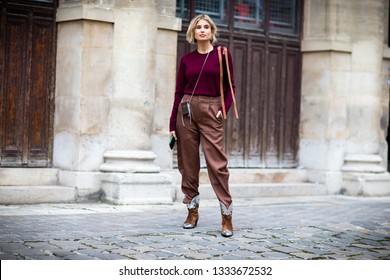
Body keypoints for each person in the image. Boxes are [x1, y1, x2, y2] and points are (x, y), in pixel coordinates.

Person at [169, 14, 238, 238]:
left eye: (206, 27)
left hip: (211, 109)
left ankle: (226, 215)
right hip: (186, 110)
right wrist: (172, 121)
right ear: (193, 32)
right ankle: (192, 210)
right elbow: (178, 92)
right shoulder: (186, 60)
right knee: (187, 164)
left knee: (216, 164)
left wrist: (222, 110)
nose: (202, 30)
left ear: (212, 31)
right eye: (198, 27)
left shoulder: (222, 54)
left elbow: (230, 87)